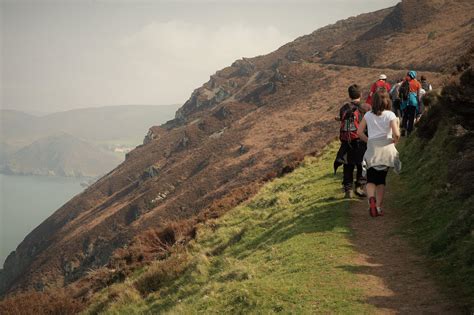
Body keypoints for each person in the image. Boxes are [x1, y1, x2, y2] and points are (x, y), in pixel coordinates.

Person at [357, 90, 401, 217]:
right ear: (387, 101)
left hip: (372, 149)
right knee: (381, 180)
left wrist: (369, 141)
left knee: (370, 179)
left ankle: (371, 198)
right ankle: (378, 207)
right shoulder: (391, 115)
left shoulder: (368, 116)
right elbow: (397, 134)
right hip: (386, 149)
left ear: (374, 102)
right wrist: (394, 141)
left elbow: (359, 132)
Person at [334, 84, 367, 198]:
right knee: (361, 164)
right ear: (360, 94)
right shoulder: (365, 107)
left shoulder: (344, 108)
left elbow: (343, 120)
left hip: (347, 140)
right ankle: (359, 186)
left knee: (347, 165)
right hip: (361, 140)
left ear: (349, 95)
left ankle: (348, 189)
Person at [400, 70, 421, 136]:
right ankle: (409, 132)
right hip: (413, 102)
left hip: (405, 102)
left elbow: (400, 91)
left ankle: (403, 129)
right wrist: (418, 103)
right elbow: (418, 95)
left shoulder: (405, 82)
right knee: (412, 117)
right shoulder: (417, 83)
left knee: (405, 116)